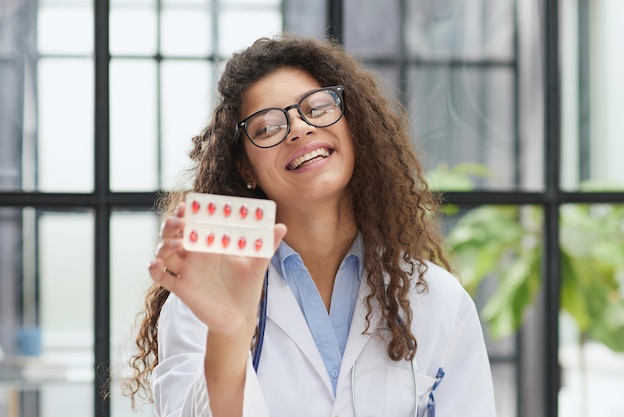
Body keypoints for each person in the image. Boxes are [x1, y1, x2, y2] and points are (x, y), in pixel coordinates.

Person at [124, 34, 497, 417]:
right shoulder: (201, 300)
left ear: (355, 128)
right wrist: (230, 334)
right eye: (268, 128)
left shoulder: (438, 300)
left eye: (317, 108)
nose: (299, 128)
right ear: (245, 168)